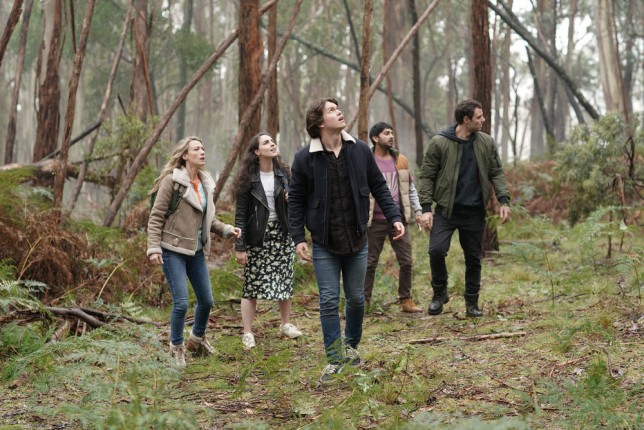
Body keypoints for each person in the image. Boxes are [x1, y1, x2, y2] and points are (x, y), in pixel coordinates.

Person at [288, 97, 405, 382]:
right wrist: (298, 237)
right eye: (331, 110)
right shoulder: (305, 158)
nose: (339, 112)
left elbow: (378, 186)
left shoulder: (360, 150)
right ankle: (333, 359)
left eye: (338, 108)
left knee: (355, 298)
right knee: (329, 301)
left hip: (357, 240)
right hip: (325, 243)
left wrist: (395, 216)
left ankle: (351, 346)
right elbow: (296, 201)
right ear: (319, 122)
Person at [147, 136, 241, 367]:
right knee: (181, 303)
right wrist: (153, 248)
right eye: (196, 149)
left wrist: (226, 229)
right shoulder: (172, 181)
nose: (202, 152)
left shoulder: (206, 183)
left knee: (206, 300)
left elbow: (207, 219)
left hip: (196, 251)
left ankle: (196, 340)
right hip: (173, 249)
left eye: (203, 148)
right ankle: (176, 348)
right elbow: (156, 216)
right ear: (185, 155)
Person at [418, 99, 511, 317]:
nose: (483, 120)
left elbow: (496, 172)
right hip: (446, 211)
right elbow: (427, 176)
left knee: (473, 258)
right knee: (436, 250)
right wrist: (426, 208)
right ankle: (439, 294)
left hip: (474, 212)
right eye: (479, 117)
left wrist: (504, 200)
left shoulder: (486, 142)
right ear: (466, 119)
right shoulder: (440, 142)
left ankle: (472, 303)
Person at [231, 132, 302, 351]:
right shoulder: (248, 179)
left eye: (272, 141)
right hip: (257, 236)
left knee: (285, 280)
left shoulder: (284, 174)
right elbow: (241, 215)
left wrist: (291, 199)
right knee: (251, 285)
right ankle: (247, 332)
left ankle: (285, 324)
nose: (272, 144)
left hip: (282, 234)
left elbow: (297, 204)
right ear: (256, 151)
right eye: (266, 142)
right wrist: (240, 245)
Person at [365, 122, 423, 313]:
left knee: (406, 261)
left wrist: (418, 211)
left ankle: (406, 300)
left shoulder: (401, 160)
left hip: (398, 220)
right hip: (374, 221)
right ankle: (363, 301)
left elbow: (410, 189)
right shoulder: (367, 161)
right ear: (375, 138)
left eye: (392, 133)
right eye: (386, 133)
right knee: (369, 263)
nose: (391, 136)